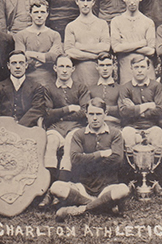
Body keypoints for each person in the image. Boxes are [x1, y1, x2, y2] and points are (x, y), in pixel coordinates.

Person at [50, 98, 130, 222]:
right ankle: (101, 205)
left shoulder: (115, 134)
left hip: (107, 187)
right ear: (86, 115)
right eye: (91, 114)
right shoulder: (79, 134)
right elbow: (76, 159)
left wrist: (87, 161)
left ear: (105, 114)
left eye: (98, 114)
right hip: (82, 188)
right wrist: (101, 154)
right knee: (55, 187)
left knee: (123, 189)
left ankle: (80, 210)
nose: (95, 118)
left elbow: (117, 160)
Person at [44, 54, 91, 183]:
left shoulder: (81, 88)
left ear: (73, 69)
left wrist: (58, 114)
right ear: (55, 68)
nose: (64, 70)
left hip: (75, 127)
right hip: (55, 128)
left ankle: (62, 185)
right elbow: (47, 113)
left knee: (71, 141)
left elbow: (84, 112)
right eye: (61, 66)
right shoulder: (48, 88)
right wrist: (68, 109)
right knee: (51, 142)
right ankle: (49, 187)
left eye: (67, 66)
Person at [0, 50, 47, 127]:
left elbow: (38, 109)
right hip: (4, 129)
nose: (18, 66)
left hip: (27, 129)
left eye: (21, 63)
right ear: (8, 66)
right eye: (14, 63)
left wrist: (18, 126)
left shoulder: (36, 87)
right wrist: (6, 125)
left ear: (26, 65)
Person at [64, 0, 110, 87]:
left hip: (99, 72)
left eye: (88, 0)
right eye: (82, 0)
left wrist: (80, 47)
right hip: (79, 72)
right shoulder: (71, 26)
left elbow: (106, 47)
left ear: (93, 2)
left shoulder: (102, 24)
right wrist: (93, 56)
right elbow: (69, 51)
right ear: (77, 1)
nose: (85, 4)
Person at [118, 55, 162, 151]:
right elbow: (123, 112)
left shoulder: (157, 86)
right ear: (131, 69)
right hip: (131, 127)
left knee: (158, 135)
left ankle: (156, 165)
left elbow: (160, 111)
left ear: (148, 68)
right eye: (136, 67)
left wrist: (135, 109)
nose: (139, 70)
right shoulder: (125, 88)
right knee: (127, 135)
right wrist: (147, 106)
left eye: (142, 67)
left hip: (152, 126)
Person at [110, 0, 156, 84]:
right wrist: (142, 43)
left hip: (145, 69)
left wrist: (126, 46)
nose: (132, 2)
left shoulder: (148, 22)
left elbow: (151, 50)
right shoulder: (116, 21)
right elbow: (116, 48)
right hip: (126, 69)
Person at [14, 0, 63, 88]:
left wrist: (29, 53)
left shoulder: (55, 35)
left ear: (47, 14)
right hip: (28, 79)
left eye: (42, 12)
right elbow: (21, 60)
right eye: (36, 12)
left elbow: (54, 58)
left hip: (50, 79)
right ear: (30, 14)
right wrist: (46, 57)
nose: (39, 15)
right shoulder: (21, 35)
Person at [88, 52, 121, 129]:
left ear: (113, 66)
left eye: (108, 65)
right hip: (94, 127)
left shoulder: (120, 88)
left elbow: (122, 110)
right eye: (102, 65)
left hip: (114, 126)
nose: (105, 68)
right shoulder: (90, 89)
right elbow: (86, 111)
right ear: (97, 67)